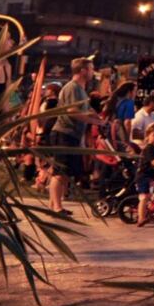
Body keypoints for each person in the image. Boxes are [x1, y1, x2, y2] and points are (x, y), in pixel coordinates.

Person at [46, 58, 101, 216]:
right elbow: (72, 112)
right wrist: (93, 121)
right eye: (91, 69)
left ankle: (54, 204)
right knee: (60, 171)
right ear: (83, 70)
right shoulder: (72, 87)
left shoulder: (81, 89)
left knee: (65, 172)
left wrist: (95, 116)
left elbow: (85, 108)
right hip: (64, 133)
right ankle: (56, 207)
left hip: (72, 134)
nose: (93, 72)